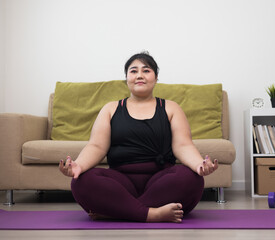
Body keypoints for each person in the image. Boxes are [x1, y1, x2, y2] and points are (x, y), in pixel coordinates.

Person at [59, 52, 218, 223]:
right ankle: (152, 214)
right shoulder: (110, 109)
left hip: (162, 181)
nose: (139, 75)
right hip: (121, 182)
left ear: (156, 78)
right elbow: (96, 146)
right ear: (126, 78)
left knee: (191, 178)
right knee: (81, 181)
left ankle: (117, 212)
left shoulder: (171, 108)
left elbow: (183, 145)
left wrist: (198, 164)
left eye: (146, 70)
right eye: (133, 71)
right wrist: (79, 165)